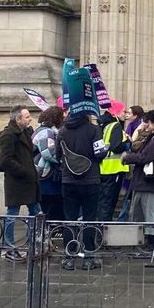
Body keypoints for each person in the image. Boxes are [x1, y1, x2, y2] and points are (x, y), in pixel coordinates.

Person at [57, 101, 106, 269]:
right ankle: (88, 257)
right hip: (90, 180)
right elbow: (100, 154)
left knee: (69, 218)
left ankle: (69, 256)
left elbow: (58, 155)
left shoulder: (62, 131)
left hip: (69, 180)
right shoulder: (94, 130)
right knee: (89, 218)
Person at [0, 105, 41, 262]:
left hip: (29, 181)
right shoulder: (8, 135)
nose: (30, 119)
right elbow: (4, 160)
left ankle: (36, 244)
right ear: (18, 119)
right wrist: (23, 170)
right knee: (12, 214)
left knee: (36, 212)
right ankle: (9, 247)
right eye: (27, 116)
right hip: (17, 181)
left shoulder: (26, 132)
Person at [121, 109, 154, 248]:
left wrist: (128, 158)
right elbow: (136, 146)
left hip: (149, 182)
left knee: (149, 214)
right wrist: (139, 131)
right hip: (141, 182)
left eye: (147, 122)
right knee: (138, 213)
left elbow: (146, 157)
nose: (145, 125)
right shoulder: (149, 136)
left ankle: (151, 244)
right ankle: (141, 242)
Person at [97, 100, 131, 223]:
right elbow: (116, 146)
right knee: (109, 202)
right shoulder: (115, 126)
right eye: (122, 111)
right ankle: (104, 230)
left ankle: (100, 229)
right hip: (114, 169)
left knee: (103, 201)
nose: (124, 114)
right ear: (114, 113)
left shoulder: (104, 125)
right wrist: (127, 143)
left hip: (104, 167)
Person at [32, 105, 65, 232]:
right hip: (46, 173)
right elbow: (48, 153)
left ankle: (49, 233)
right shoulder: (46, 132)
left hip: (46, 173)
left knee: (52, 205)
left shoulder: (45, 130)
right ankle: (46, 233)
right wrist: (63, 160)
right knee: (48, 205)